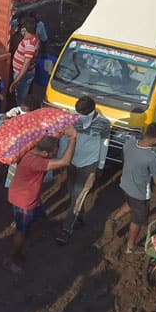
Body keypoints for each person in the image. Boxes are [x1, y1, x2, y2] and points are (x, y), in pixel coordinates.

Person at [4, 129, 77, 274]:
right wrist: (73, 139)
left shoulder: (32, 150)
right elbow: (65, 161)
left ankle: (23, 234)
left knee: (39, 219)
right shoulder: (36, 162)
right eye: (53, 152)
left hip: (29, 196)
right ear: (44, 153)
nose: (55, 154)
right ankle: (10, 260)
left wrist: (61, 133)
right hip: (25, 200)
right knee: (21, 231)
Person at [107, 123, 156, 253]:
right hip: (140, 193)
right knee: (137, 220)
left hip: (125, 185)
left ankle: (113, 220)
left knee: (129, 203)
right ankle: (131, 247)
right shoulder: (151, 157)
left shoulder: (129, 143)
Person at [55, 97, 110, 245]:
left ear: (92, 111)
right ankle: (80, 218)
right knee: (74, 193)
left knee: (77, 197)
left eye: (83, 113)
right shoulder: (71, 119)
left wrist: (100, 166)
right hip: (72, 163)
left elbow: (104, 144)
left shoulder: (103, 123)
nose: (79, 116)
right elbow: (64, 140)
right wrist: (60, 160)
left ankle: (66, 230)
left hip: (89, 166)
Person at [9, 14, 40, 113]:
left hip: (23, 75)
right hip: (25, 73)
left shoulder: (30, 44)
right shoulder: (34, 37)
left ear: (25, 29)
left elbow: (26, 64)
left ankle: (22, 115)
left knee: (21, 98)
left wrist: (16, 81)